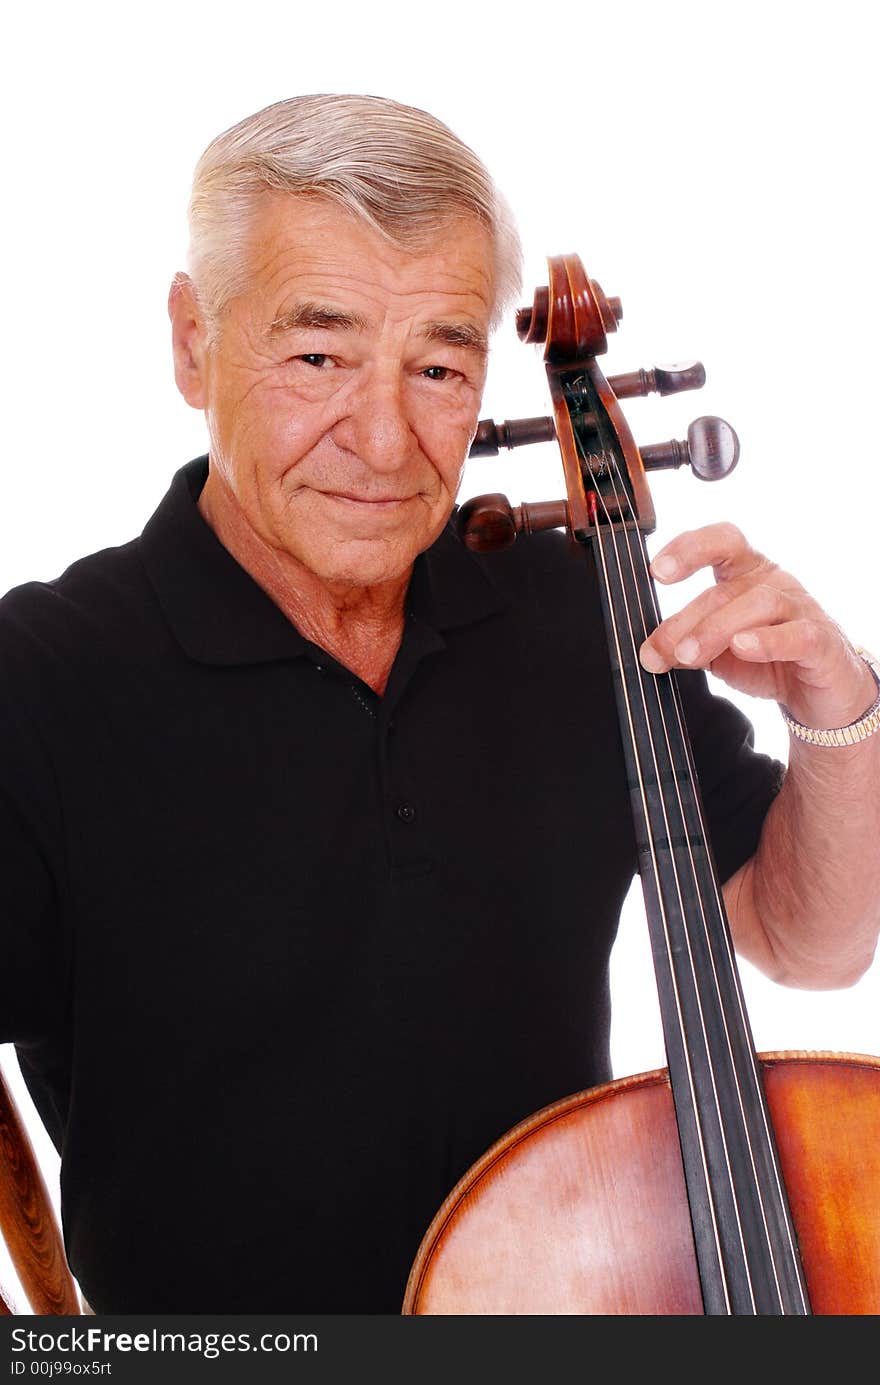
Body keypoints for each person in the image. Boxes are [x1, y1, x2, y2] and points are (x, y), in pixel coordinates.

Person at [0, 94, 877, 1316]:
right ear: (193, 341)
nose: (384, 437)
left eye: (438, 366)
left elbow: (812, 945)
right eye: (318, 356)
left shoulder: (577, 608)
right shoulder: (37, 677)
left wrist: (840, 715)